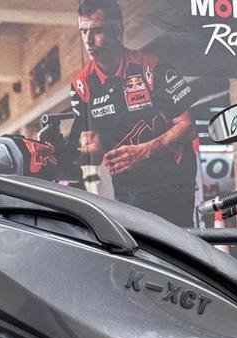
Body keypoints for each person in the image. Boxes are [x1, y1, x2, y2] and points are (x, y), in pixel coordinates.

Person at [69, 0, 199, 226]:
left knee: (177, 243)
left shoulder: (154, 67)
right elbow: (95, 150)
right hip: (129, 187)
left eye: (97, 30)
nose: (88, 40)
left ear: (117, 29)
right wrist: (62, 155)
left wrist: (142, 152)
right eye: (83, 31)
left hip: (173, 181)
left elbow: (187, 126)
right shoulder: (81, 85)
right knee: (140, 246)